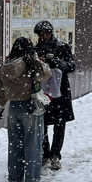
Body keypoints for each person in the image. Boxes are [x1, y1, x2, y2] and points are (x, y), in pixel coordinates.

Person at [0, 37, 51, 182]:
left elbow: (2, 89)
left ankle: (14, 176)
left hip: (13, 108)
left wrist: (1, 105)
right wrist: (36, 59)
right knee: (33, 142)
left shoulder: (5, 66)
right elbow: (47, 73)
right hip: (31, 106)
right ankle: (32, 177)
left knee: (15, 144)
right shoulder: (30, 64)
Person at [34, 20, 76, 171]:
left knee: (60, 124)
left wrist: (55, 61)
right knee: (42, 123)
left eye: (44, 33)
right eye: (40, 34)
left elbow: (71, 66)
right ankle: (45, 153)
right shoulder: (36, 49)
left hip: (60, 92)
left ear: (50, 32)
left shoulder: (62, 46)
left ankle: (55, 155)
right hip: (43, 93)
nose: (42, 37)